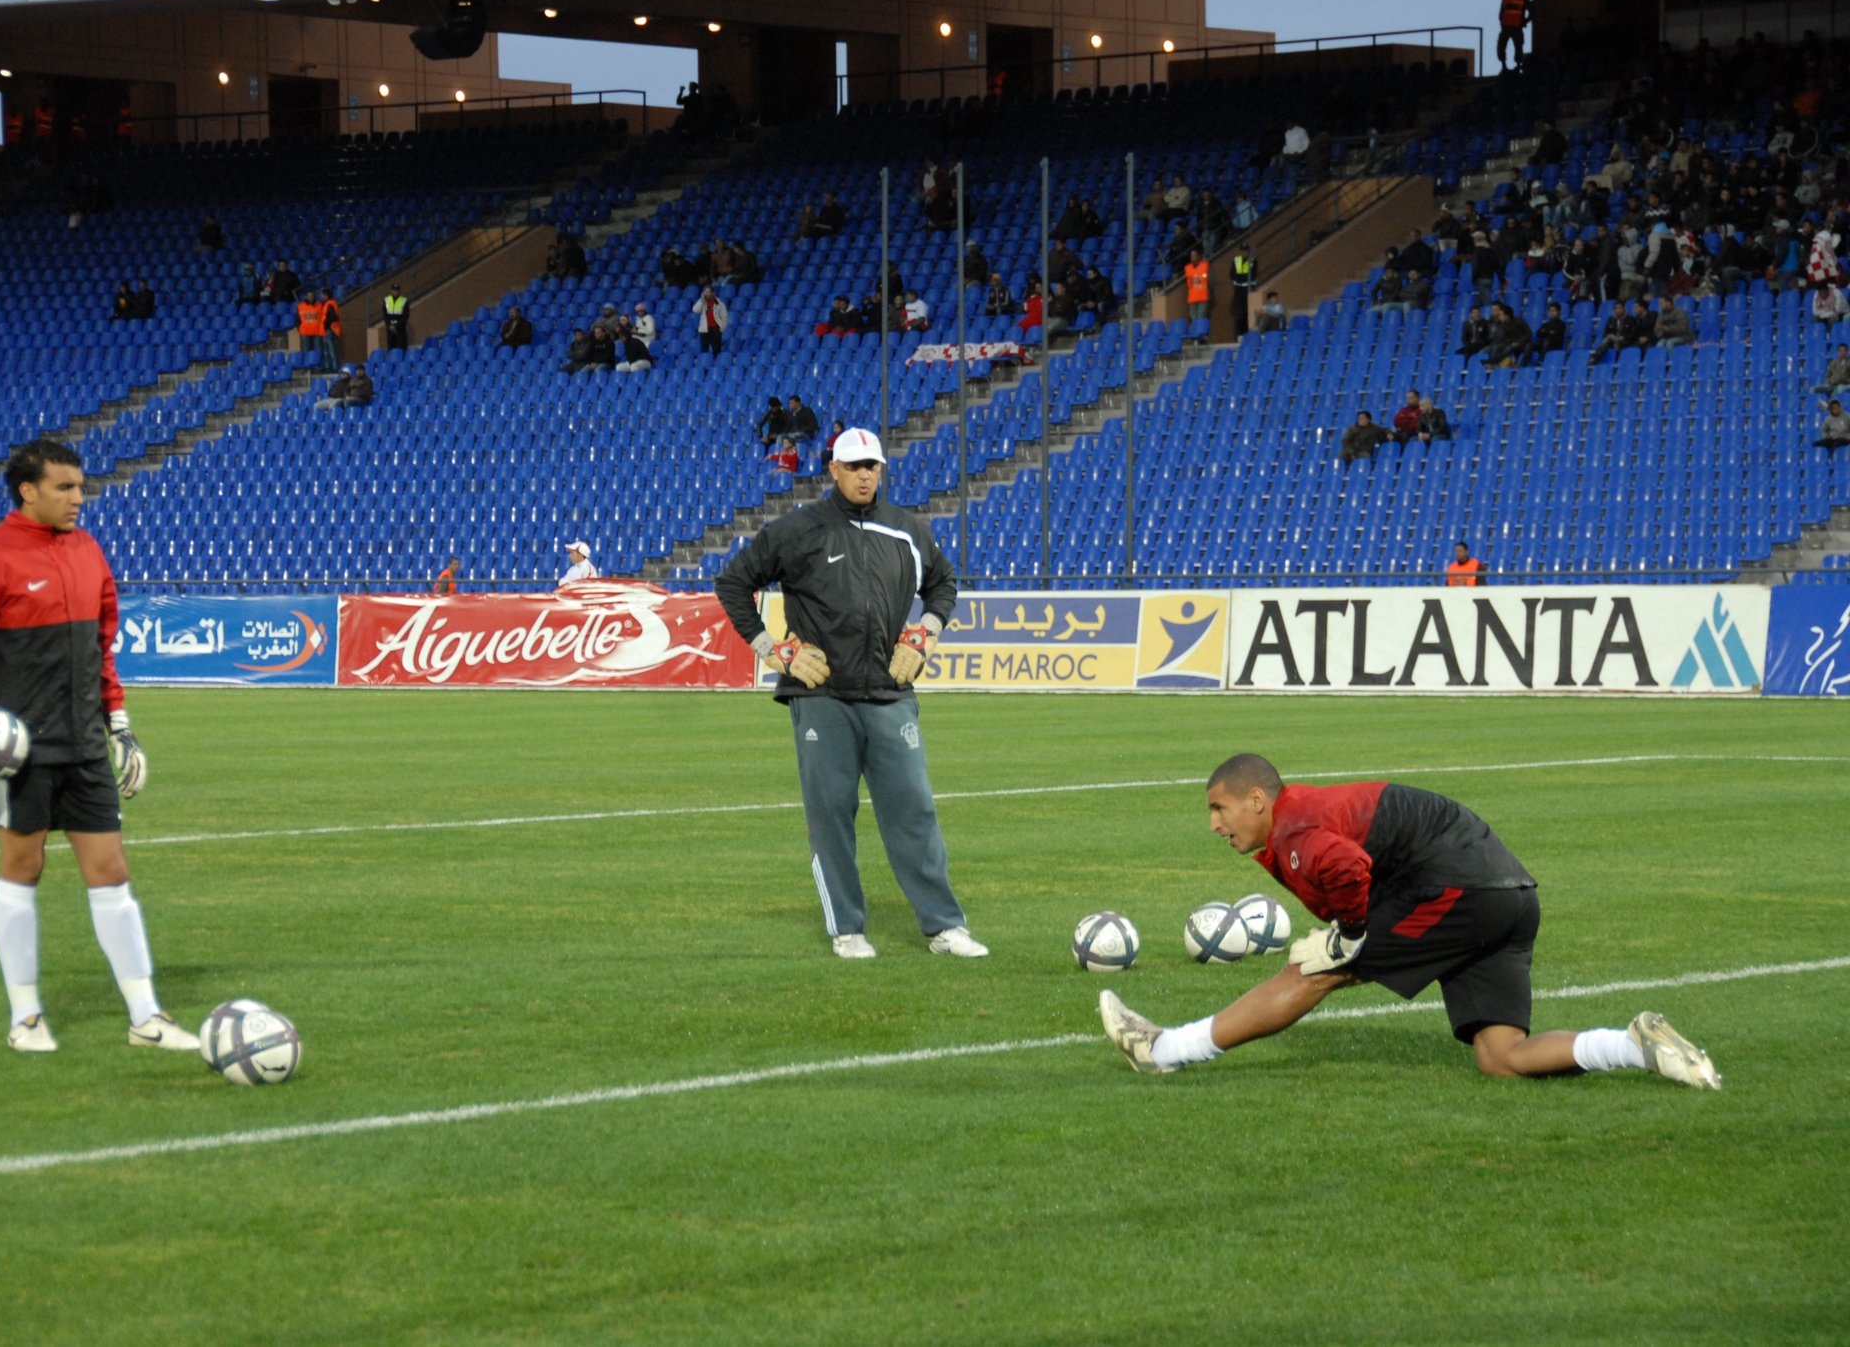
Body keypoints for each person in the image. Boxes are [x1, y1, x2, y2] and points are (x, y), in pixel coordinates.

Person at [1097, 754, 1722, 1088]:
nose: (1214, 824)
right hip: (1510, 895)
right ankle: (1635, 1045)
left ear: (1256, 799)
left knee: (1311, 970)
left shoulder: (1295, 829)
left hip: (1457, 890)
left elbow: (1345, 867)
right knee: (1501, 1058)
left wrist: (1347, 930)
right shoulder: (1299, 821)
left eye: (1219, 808)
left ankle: (1166, 1050)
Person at [0, 439, 199, 1056]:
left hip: (85, 743)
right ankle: (26, 1016)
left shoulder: (88, 550)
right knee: (23, 867)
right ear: (28, 491)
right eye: (64, 488)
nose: (78, 498)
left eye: (80, 486)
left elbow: (100, 648)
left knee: (111, 871)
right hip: (17, 749)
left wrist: (119, 725)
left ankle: (146, 1017)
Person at [713, 427, 987, 961]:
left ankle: (944, 927)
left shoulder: (908, 529)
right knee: (832, 814)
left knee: (915, 812)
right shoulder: (798, 529)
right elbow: (733, 583)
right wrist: (773, 649)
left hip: (890, 693)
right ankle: (847, 928)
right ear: (833, 470)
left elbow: (944, 584)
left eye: (873, 466)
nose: (865, 475)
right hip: (822, 696)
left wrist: (924, 633)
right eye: (855, 466)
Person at [1497, 0, 1532, 72]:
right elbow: (1501, 11)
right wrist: (1501, 21)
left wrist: (1525, 21)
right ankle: (1504, 66)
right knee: (1501, 46)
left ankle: (1517, 66)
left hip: (1517, 27)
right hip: (1506, 27)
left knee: (1518, 47)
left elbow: (1532, 10)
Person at [1485, 301, 1533, 368]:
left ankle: (1522, 365)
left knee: (1529, 346)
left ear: (1507, 316)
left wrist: (1518, 342)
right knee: (1497, 347)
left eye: (1501, 315)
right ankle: (1493, 363)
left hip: (1522, 343)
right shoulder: (1503, 325)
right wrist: (1511, 342)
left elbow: (1529, 333)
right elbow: (1506, 337)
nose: (1500, 317)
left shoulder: (1519, 322)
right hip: (1512, 344)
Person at [693, 287, 729, 356]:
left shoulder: (719, 304)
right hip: (704, 329)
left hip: (716, 329)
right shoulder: (702, 302)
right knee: (704, 349)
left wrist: (721, 328)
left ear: (713, 293)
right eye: (705, 292)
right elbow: (695, 310)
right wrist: (701, 300)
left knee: (717, 350)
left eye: (708, 292)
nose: (706, 294)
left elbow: (724, 317)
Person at [383, 285, 410, 352]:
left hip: (400, 328)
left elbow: (405, 316)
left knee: (401, 347)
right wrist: (389, 325)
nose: (395, 292)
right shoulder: (386, 300)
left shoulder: (404, 300)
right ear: (391, 291)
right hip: (390, 328)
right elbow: (385, 315)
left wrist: (396, 326)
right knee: (391, 348)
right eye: (394, 290)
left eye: (397, 290)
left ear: (399, 291)